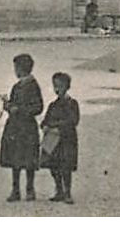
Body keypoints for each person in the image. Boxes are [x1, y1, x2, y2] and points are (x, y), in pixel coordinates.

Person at [0, 53, 44, 202]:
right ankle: (16, 189)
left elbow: (38, 107)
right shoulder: (17, 86)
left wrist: (19, 110)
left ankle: (29, 189)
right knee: (15, 159)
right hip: (16, 127)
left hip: (26, 127)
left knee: (29, 160)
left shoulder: (32, 86)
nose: (15, 70)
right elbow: (14, 104)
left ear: (22, 68)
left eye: (16, 67)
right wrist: (8, 106)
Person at [41, 71, 79, 204]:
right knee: (54, 166)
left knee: (66, 167)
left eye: (60, 86)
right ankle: (59, 190)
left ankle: (67, 192)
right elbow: (45, 120)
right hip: (53, 140)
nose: (57, 89)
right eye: (55, 86)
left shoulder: (72, 103)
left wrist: (57, 126)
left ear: (67, 86)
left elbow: (73, 120)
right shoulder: (53, 105)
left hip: (66, 139)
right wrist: (45, 126)